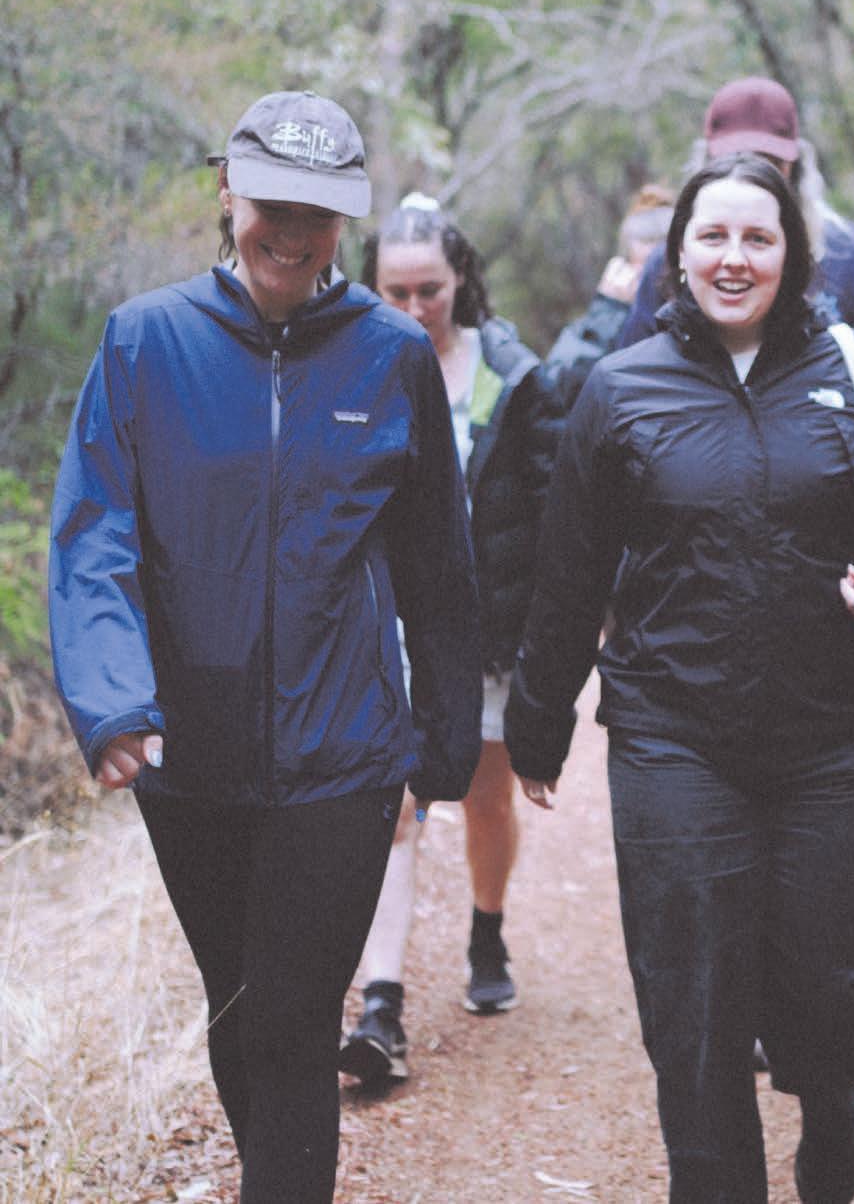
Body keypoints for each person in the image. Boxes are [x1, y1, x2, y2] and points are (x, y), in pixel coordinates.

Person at [49, 90, 481, 1202]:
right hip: (188, 755)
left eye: (318, 214)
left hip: (342, 758)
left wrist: (444, 738)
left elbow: (438, 563)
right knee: (241, 1010)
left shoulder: (392, 355)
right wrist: (113, 701)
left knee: (291, 1020)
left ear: (347, 222)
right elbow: (94, 533)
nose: (290, 233)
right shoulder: (145, 341)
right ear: (226, 193)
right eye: (271, 205)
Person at [505, 154, 854, 1203]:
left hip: (829, 737)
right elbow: (569, 573)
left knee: (830, 992)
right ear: (677, 255)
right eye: (712, 236)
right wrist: (537, 725)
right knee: (695, 1005)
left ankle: (832, 1111)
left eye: (759, 237)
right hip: (674, 736)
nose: (734, 258)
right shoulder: (621, 389)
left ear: (793, 254)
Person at [337, 194, 563, 1087]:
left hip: (486, 630)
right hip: (383, 623)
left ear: (460, 279)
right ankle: (381, 1005)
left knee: (483, 798)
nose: (413, 307)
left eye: (428, 289)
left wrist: (542, 638)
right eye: (395, 292)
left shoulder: (511, 375)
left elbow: (545, 514)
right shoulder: (350, 366)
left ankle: (487, 929)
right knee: (394, 807)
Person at [612, 76, 854, 407]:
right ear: (707, 165)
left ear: (794, 167)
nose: (752, 175)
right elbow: (628, 389)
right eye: (736, 158)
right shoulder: (671, 261)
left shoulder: (846, 252)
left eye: (769, 162)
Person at [544, 182, 676, 410]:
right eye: (644, 270)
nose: (654, 283)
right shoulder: (607, 320)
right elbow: (557, 391)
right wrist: (607, 311)